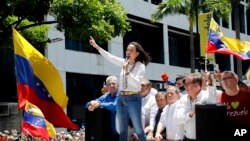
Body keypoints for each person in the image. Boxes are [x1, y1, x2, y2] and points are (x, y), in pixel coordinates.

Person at [89, 36, 151, 141]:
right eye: (127, 50)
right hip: (121, 98)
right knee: (122, 130)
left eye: (131, 50)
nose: (128, 52)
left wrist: (126, 71)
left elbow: (136, 83)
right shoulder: (124, 63)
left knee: (139, 129)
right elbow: (110, 57)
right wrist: (96, 46)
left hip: (133, 98)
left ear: (137, 53)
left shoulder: (140, 66)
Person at [174, 73, 217, 141]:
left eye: (189, 84)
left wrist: (210, 82)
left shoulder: (207, 97)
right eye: (185, 84)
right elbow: (178, 119)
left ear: (198, 85)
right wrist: (191, 113)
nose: (186, 86)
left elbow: (213, 103)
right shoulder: (183, 99)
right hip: (187, 139)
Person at [86, 75, 120, 140]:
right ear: (107, 87)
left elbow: (115, 106)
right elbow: (88, 104)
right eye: (109, 84)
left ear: (118, 85)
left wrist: (100, 104)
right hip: (106, 133)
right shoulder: (104, 97)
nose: (112, 85)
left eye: (113, 83)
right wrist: (91, 104)